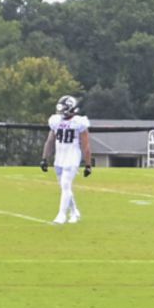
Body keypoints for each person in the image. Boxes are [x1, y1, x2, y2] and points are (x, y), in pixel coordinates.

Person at [40, 95, 92, 224]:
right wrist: (44, 158)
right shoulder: (55, 120)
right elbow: (50, 140)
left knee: (65, 184)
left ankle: (61, 215)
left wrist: (88, 164)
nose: (61, 110)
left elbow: (85, 145)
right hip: (60, 157)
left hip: (72, 156)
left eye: (63, 107)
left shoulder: (79, 122)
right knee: (65, 187)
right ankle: (74, 212)